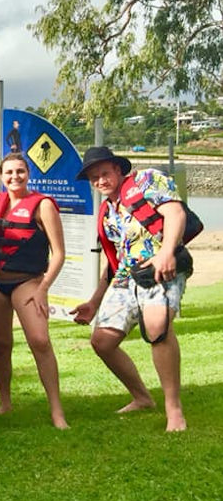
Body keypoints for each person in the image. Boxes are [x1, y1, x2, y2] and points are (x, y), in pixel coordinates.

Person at [69, 146, 189, 432]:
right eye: (94, 177)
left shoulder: (146, 180)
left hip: (162, 267)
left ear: (118, 169)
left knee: (157, 326)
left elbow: (175, 213)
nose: (100, 180)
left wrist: (167, 252)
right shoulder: (107, 212)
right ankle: (142, 398)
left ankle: (174, 411)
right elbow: (114, 262)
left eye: (104, 173)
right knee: (102, 342)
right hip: (127, 275)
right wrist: (94, 302)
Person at [0, 153, 69, 429]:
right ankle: (5, 401)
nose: (15, 177)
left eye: (20, 172)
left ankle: (57, 411)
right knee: (1, 345)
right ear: (1, 176)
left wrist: (43, 289)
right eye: (9, 173)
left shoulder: (43, 206)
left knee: (40, 340)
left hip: (27, 281)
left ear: (28, 174)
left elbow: (59, 254)